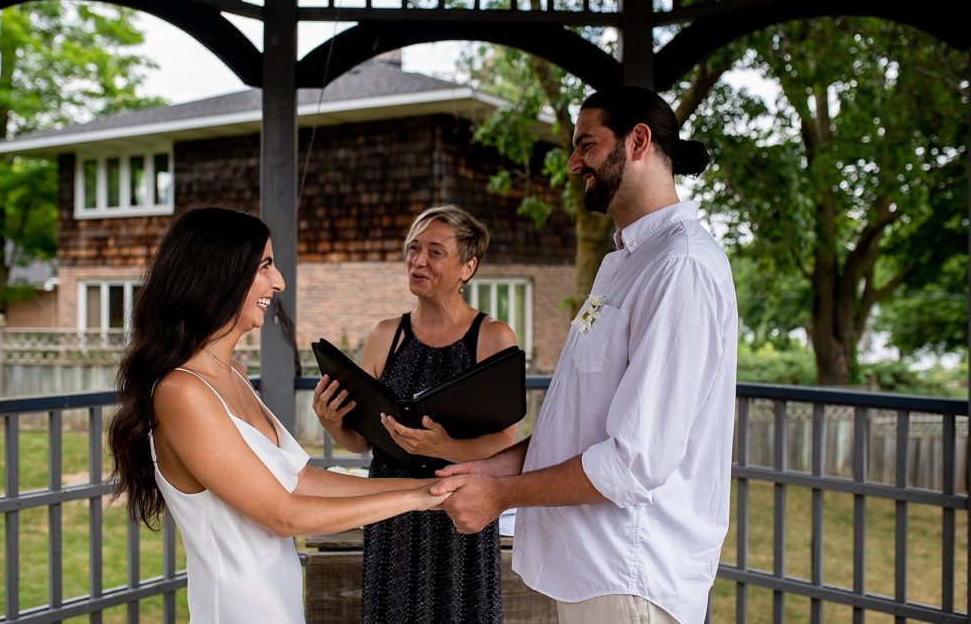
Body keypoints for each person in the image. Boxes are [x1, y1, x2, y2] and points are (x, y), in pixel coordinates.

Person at [431, 87, 738, 624]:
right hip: (591, 570)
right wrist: (488, 468)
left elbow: (633, 462)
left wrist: (501, 495)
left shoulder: (681, 266)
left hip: (633, 574)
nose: (574, 163)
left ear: (638, 141)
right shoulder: (625, 260)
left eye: (586, 145)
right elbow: (578, 426)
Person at [107, 207, 448, 624]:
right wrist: (419, 500)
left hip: (279, 606)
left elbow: (301, 479)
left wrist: (430, 486)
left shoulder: (230, 374)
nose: (279, 281)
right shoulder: (182, 392)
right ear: (219, 273)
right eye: (265, 265)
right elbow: (284, 515)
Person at [311, 204, 518, 623]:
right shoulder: (385, 336)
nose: (418, 260)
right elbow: (361, 440)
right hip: (391, 514)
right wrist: (333, 423)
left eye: (435, 251)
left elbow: (505, 442)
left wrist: (447, 446)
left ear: (468, 266)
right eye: (413, 248)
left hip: (460, 511)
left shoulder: (492, 337)